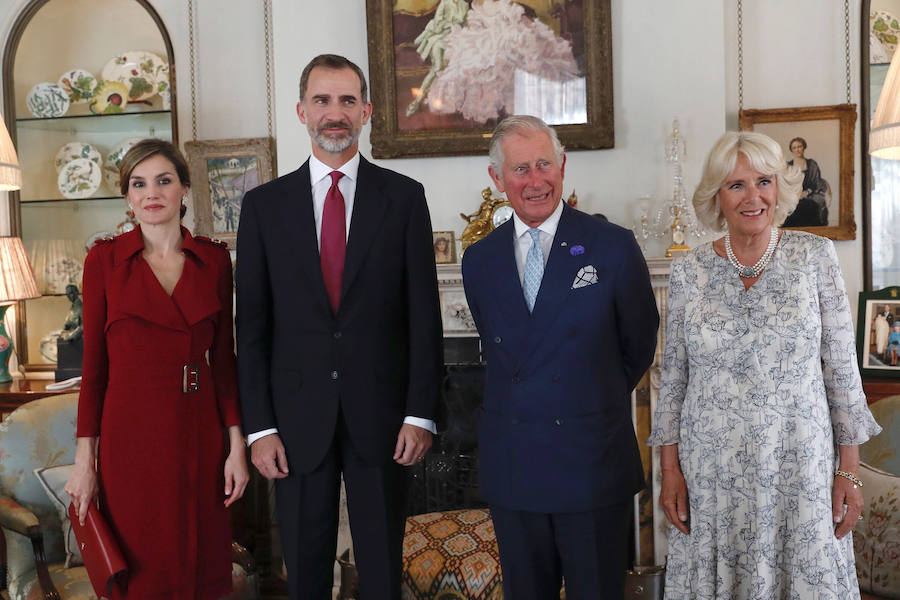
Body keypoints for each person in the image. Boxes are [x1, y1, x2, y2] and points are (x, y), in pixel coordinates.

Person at [236, 54, 443, 599]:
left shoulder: (403, 198)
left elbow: (424, 316)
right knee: (304, 570)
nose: (335, 113)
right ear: (302, 110)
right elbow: (251, 328)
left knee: (380, 568)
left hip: (384, 417)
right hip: (294, 420)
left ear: (367, 111)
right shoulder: (263, 207)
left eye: (347, 100)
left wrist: (420, 414)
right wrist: (260, 429)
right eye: (323, 100)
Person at [648, 131, 881, 599]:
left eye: (763, 181)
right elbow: (672, 378)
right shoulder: (689, 270)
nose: (753, 197)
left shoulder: (814, 256)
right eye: (736, 185)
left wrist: (849, 471)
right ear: (717, 195)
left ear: (780, 187)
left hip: (800, 468)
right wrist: (669, 471)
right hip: (710, 474)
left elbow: (841, 370)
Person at [462, 115, 658, 599]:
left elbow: (639, 344)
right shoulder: (479, 259)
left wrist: (584, 400)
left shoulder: (612, 246)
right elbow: (502, 351)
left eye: (544, 165)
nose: (535, 181)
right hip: (515, 467)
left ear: (563, 166)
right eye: (521, 169)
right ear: (497, 178)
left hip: (591, 461)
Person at [64, 139, 249, 599]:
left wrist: (236, 447)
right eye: (139, 183)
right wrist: (84, 462)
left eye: (164, 181)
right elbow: (94, 371)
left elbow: (224, 363)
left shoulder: (214, 260)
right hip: (131, 437)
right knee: (146, 569)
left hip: (198, 431)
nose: (152, 193)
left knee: (202, 561)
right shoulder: (104, 261)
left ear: (184, 189)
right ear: (127, 196)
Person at [406, 0, 469, 117]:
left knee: (460, 67)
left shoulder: (464, 5)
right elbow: (437, 23)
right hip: (440, 39)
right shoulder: (445, 3)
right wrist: (450, 24)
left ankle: (454, 102)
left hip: (456, 40)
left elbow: (466, 25)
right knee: (437, 69)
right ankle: (417, 101)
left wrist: (459, 27)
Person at [781, 136, 829, 227]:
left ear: (804, 147)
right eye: (794, 148)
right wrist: (796, 194)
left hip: (810, 194)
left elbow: (816, 182)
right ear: (791, 150)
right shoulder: (788, 166)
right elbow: (785, 184)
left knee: (812, 205)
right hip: (793, 195)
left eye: (799, 146)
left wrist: (806, 192)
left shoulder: (812, 164)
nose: (797, 150)